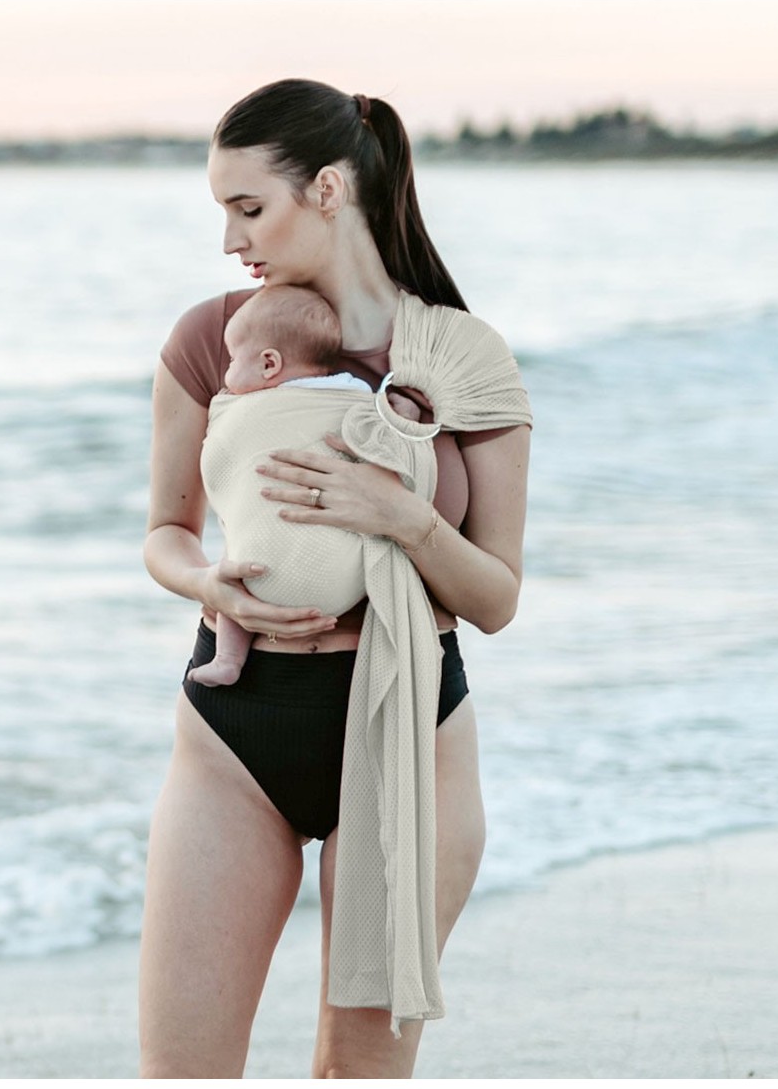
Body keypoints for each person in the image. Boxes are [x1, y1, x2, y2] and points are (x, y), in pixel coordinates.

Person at [141, 79, 531, 1078]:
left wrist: (400, 516)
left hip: (410, 734)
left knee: (355, 1073)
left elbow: (495, 598)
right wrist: (211, 588)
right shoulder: (214, 342)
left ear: (325, 188)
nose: (230, 239)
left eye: (247, 207)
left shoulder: (462, 357)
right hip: (237, 731)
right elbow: (166, 533)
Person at [188, 282, 419, 688]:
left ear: (269, 364)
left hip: (257, 569)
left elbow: (220, 451)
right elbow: (383, 441)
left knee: (234, 560)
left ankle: (228, 659)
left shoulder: (259, 405)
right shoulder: (356, 396)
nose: (226, 374)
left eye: (233, 359)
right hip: (345, 591)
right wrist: (404, 417)